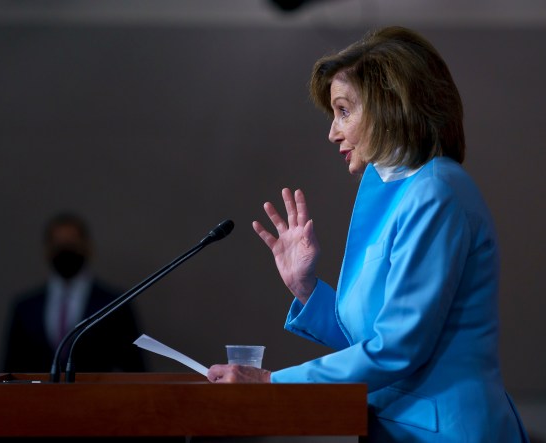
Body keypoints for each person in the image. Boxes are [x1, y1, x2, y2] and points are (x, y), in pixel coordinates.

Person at [206, 27, 528, 442]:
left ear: (390, 104)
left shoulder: (436, 192)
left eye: (343, 111)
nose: (332, 132)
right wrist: (306, 288)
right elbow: (377, 337)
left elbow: (397, 348)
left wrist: (270, 384)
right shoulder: (401, 189)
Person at [3, 213, 145, 373]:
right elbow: (9, 370)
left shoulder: (114, 303)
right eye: (58, 245)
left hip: (96, 394)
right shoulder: (25, 308)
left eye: (71, 244)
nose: (65, 251)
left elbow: (135, 369)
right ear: (46, 250)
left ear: (88, 247)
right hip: (37, 395)